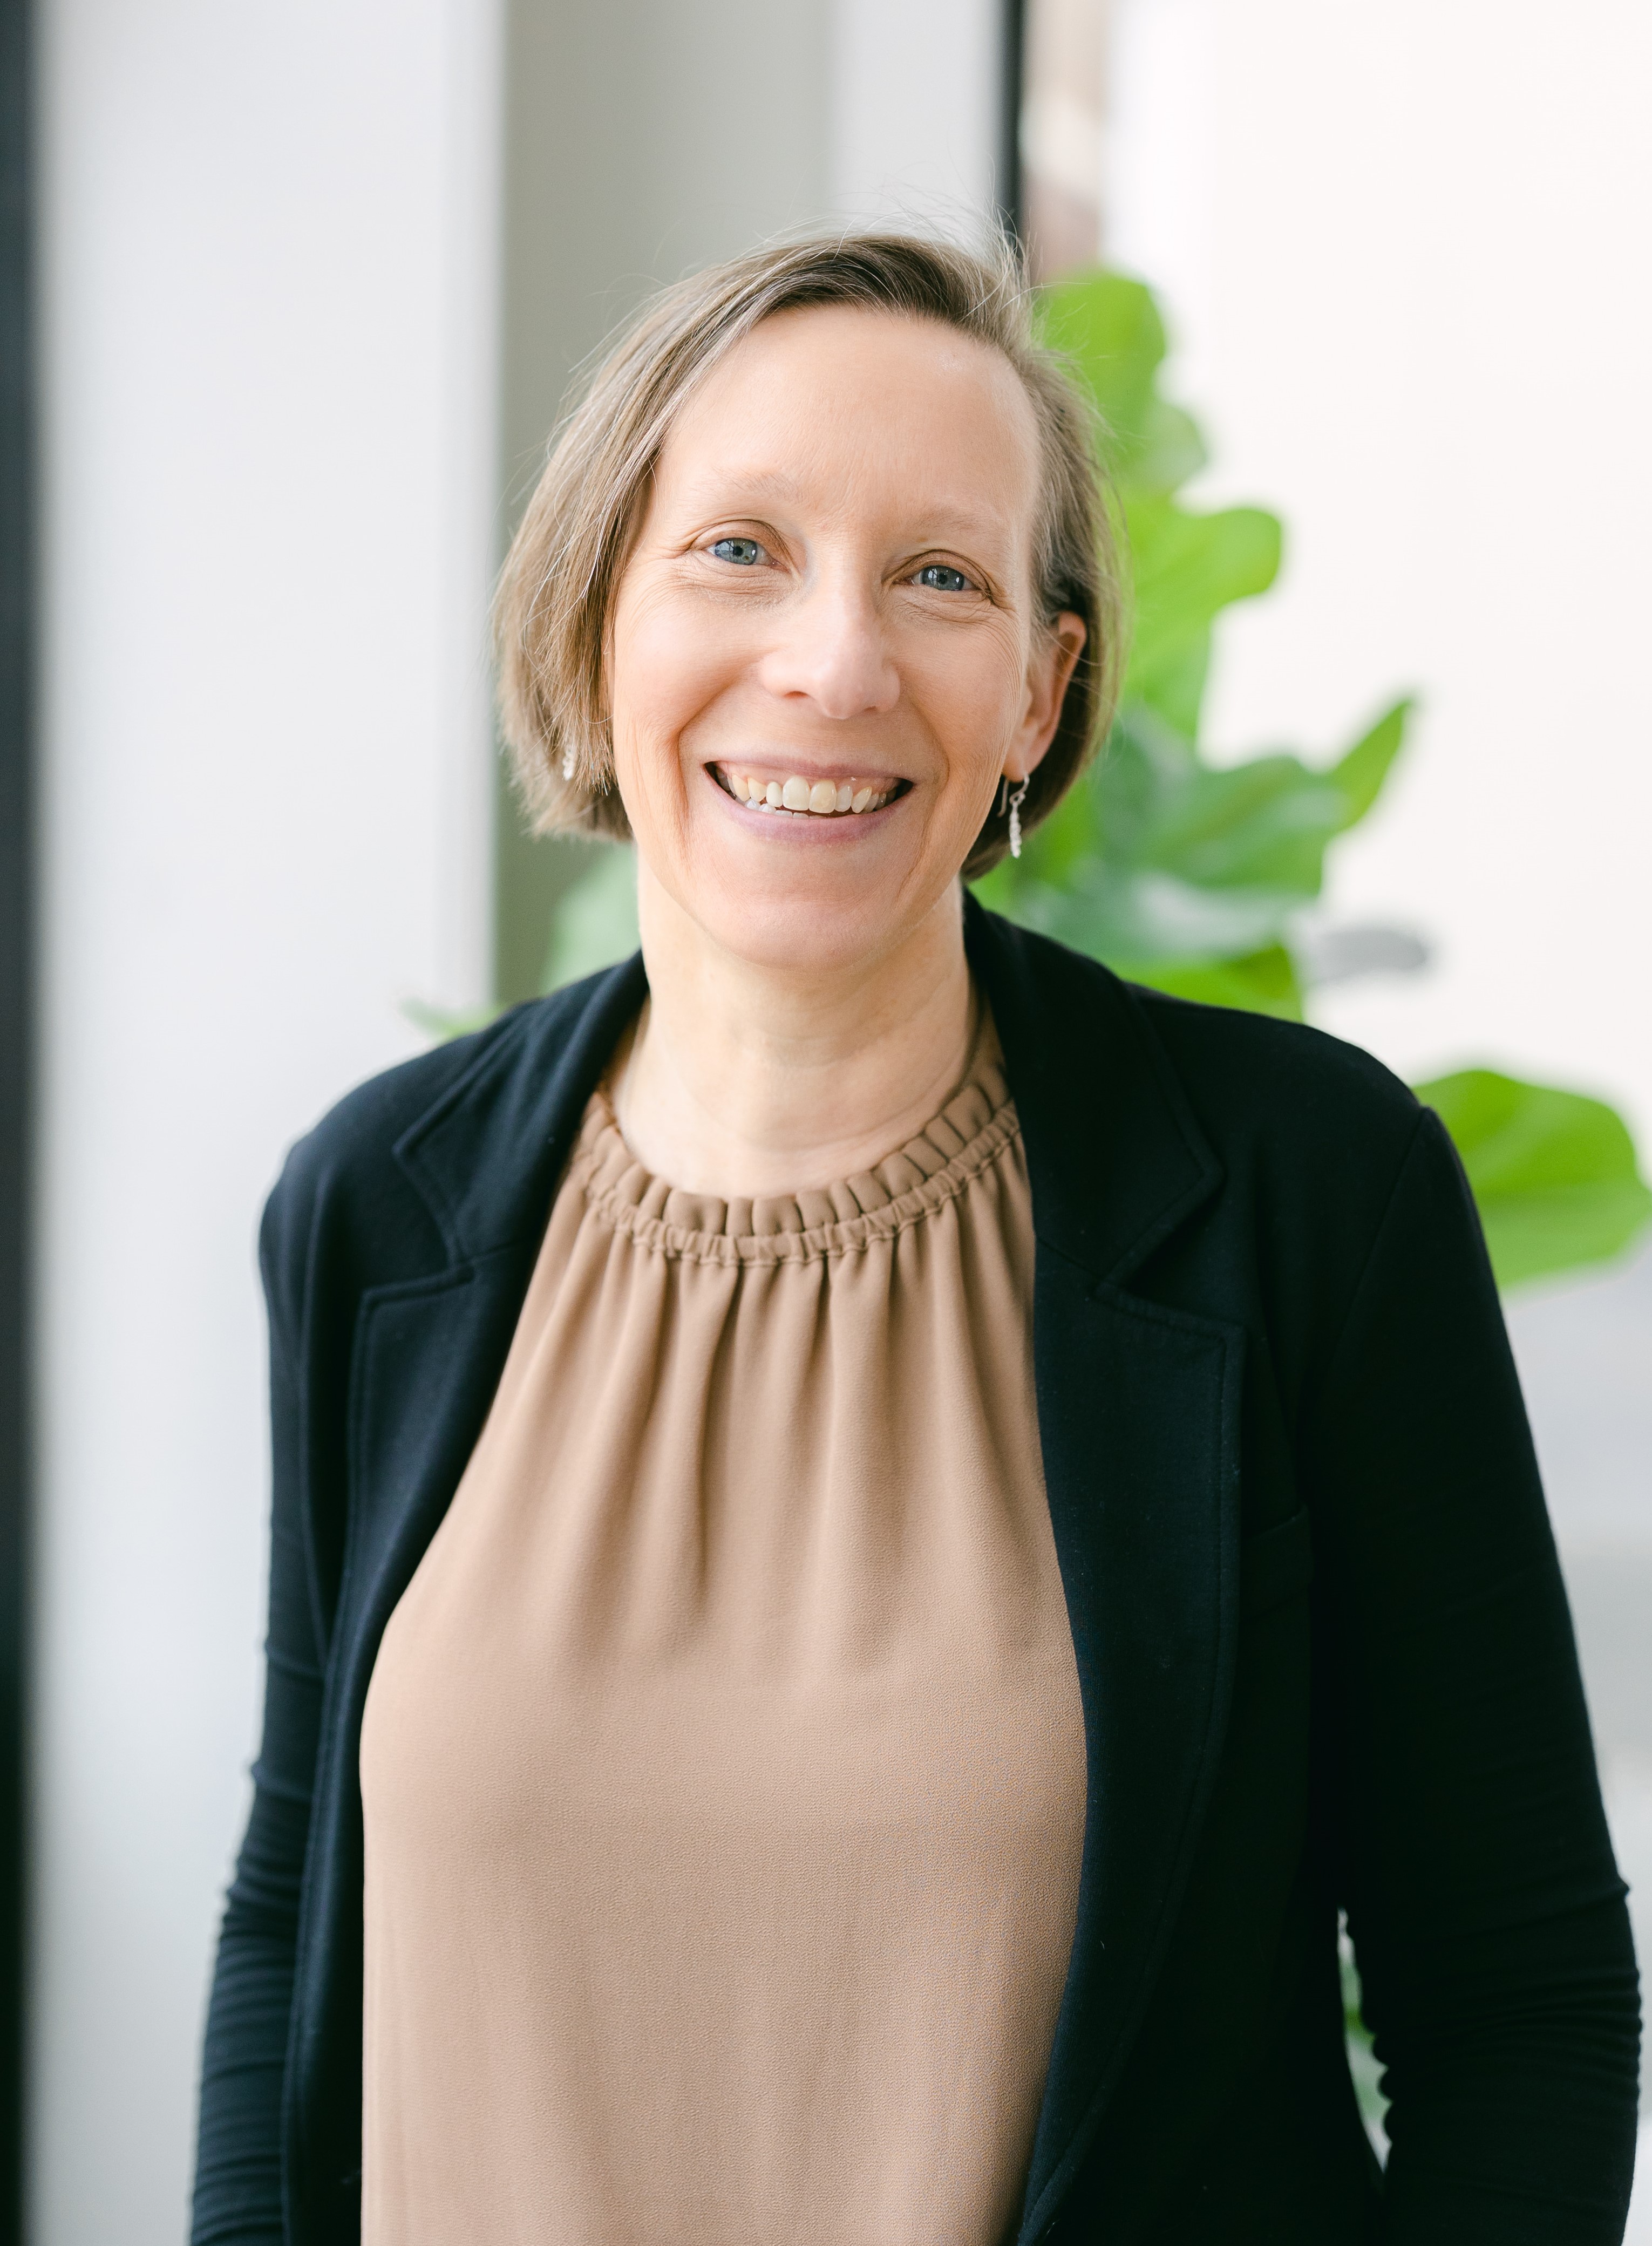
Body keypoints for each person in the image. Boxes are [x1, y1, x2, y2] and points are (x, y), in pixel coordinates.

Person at [191, 232, 1640, 2246]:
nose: (835, 664)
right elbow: (293, 1926)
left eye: (941, 578)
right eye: (738, 551)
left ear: (1040, 692)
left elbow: (1522, 2007)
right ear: (599, 610)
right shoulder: (381, 1207)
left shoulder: (1311, 1199)